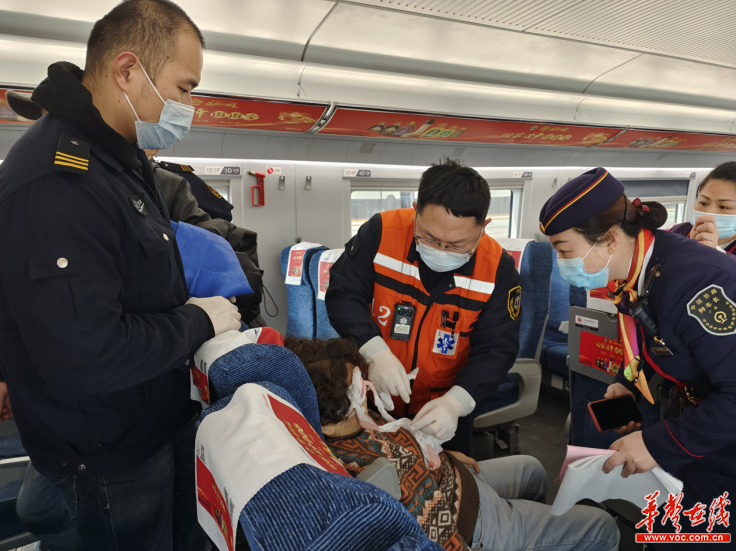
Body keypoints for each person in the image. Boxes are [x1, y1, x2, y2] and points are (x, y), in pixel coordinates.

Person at [0, 1, 242, 550]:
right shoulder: (59, 181)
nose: (189, 107)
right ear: (127, 71)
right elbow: (89, 354)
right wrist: (198, 322)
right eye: (184, 89)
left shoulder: (119, 158)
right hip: (108, 453)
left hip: (148, 421)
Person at [539, 167, 735, 547]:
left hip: (725, 441)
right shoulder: (640, 267)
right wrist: (627, 381)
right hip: (695, 421)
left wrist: (658, 444)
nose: (561, 263)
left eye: (564, 250)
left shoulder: (697, 280)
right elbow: (655, 337)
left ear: (610, 239)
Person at [285, 336, 620, 551]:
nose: (364, 387)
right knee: (602, 526)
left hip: (456, 479)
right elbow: (433, 535)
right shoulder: (362, 472)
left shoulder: (351, 420)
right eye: (355, 385)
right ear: (326, 423)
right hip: (472, 525)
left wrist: (443, 454)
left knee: (532, 470)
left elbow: (401, 444)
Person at [326, 159, 521, 454]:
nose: (441, 250)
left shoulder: (498, 269)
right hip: (371, 396)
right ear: (416, 209)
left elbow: (497, 349)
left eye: (457, 244)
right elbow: (343, 294)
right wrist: (374, 352)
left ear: (484, 227)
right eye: (429, 238)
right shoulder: (381, 232)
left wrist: (457, 403)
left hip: (442, 408)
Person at [670, 161, 736, 255]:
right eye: (703, 203)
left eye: (724, 207)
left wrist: (712, 253)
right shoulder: (679, 231)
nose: (709, 213)